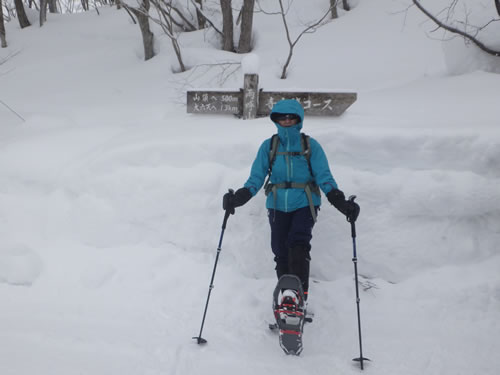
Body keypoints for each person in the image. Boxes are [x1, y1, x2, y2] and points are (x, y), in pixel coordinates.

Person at [223, 99, 359, 301]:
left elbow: (324, 176)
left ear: (299, 119)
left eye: (291, 117)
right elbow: (256, 177)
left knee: (298, 243)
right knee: (279, 249)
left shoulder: (310, 145)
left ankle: (298, 296)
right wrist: (239, 197)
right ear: (275, 120)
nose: (286, 121)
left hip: (306, 202)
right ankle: (285, 295)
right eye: (282, 117)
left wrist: (340, 201)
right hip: (277, 204)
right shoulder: (269, 146)